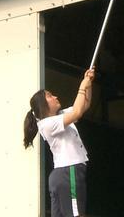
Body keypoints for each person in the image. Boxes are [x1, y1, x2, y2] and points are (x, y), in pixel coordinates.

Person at [23, 68, 95, 217]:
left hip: (62, 175)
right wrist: (82, 85)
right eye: (50, 96)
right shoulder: (47, 124)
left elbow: (83, 106)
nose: (55, 96)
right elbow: (77, 112)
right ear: (43, 104)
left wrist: (88, 84)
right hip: (69, 172)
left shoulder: (60, 116)